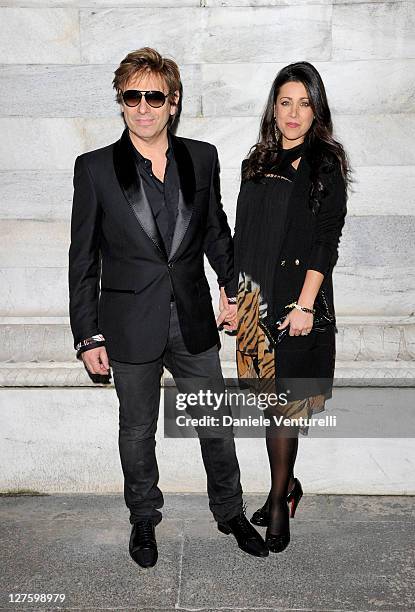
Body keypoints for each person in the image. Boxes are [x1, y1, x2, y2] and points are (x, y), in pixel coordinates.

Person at [68, 47, 268, 568]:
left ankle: (230, 512)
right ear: (121, 102)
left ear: (173, 102)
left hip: (193, 317)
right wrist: (88, 335)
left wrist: (235, 290)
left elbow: (216, 233)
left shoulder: (201, 158)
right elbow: (82, 258)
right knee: (136, 431)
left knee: (215, 422)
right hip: (129, 324)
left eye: (153, 95)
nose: (142, 107)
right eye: (131, 96)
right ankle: (143, 519)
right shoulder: (94, 170)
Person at [233, 62, 350, 553]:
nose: (294, 112)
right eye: (286, 102)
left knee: (285, 409)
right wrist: (233, 297)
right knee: (270, 406)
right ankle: (290, 485)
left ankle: (279, 502)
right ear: (273, 108)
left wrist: (304, 306)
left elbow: (326, 242)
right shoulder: (256, 163)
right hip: (255, 304)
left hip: (298, 308)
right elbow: (244, 236)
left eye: (304, 103)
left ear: (316, 109)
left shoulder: (325, 163)